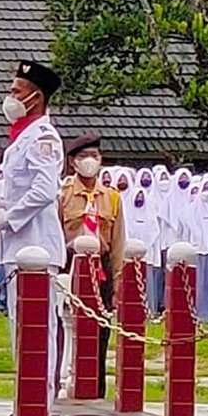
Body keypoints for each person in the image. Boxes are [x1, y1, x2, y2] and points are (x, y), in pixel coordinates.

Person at [0, 60, 65, 416]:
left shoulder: (43, 138)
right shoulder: (21, 137)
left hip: (36, 245)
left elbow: (44, 190)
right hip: (17, 246)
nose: (10, 97)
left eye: (16, 91)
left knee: (40, 332)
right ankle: (24, 404)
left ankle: (41, 409)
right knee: (21, 334)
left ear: (36, 97)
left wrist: (11, 216)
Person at [56, 132, 124, 398]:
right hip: (70, 264)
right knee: (67, 327)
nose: (89, 162)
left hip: (101, 266)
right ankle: (63, 381)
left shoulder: (111, 197)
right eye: (83, 157)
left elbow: (118, 242)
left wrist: (118, 283)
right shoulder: (63, 194)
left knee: (100, 330)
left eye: (94, 156)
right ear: (72, 162)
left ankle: (94, 389)